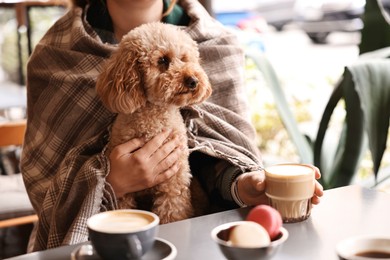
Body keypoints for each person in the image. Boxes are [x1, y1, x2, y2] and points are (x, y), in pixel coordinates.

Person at [21, 0, 323, 252]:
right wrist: (109, 182)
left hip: (196, 242)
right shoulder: (55, 53)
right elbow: (44, 178)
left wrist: (243, 185)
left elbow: (225, 148)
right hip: (99, 246)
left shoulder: (217, 43)